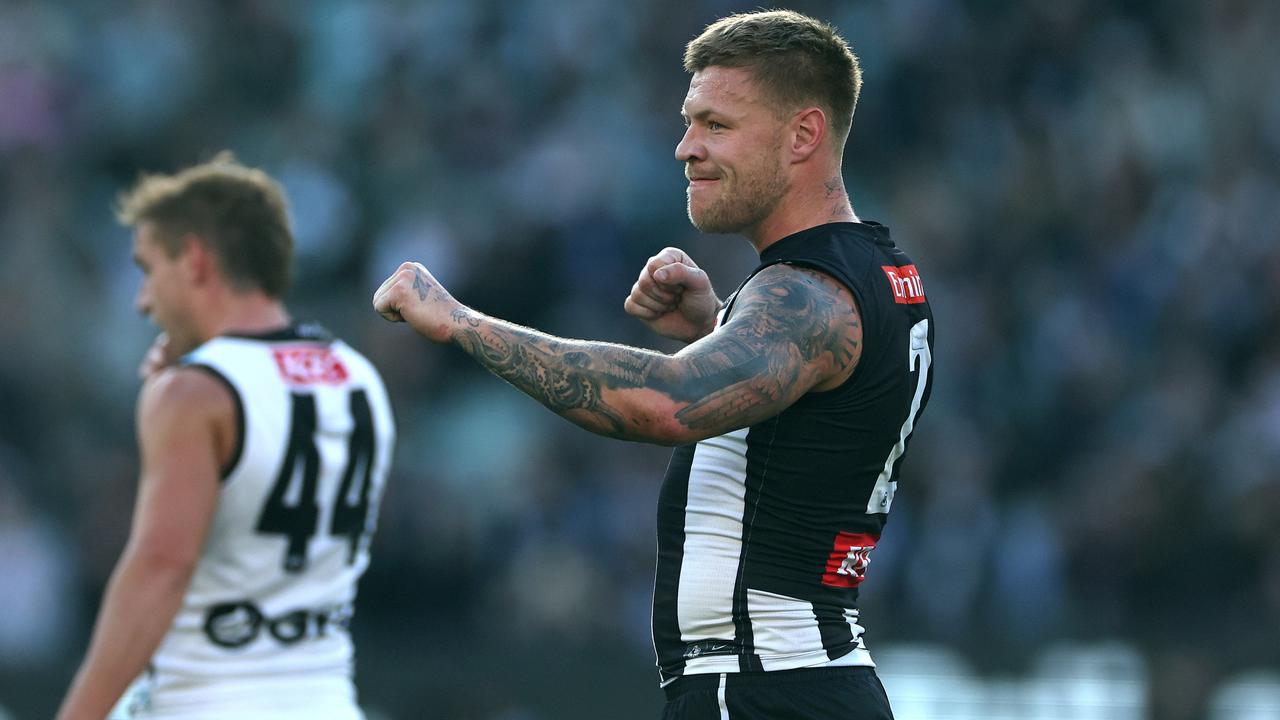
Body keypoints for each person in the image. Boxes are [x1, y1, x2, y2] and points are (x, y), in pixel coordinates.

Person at [374, 9, 932, 719]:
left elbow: (667, 403)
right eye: (689, 121)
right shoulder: (874, 269)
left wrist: (459, 322)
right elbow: (824, 401)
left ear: (804, 135)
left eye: (716, 125)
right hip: (800, 680)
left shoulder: (808, 294)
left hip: (762, 688)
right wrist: (719, 324)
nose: (685, 148)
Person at [57, 154, 396, 720]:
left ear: (192, 259)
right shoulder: (360, 377)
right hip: (328, 701)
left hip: (207, 702)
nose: (143, 300)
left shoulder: (195, 394)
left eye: (147, 269)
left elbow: (162, 568)